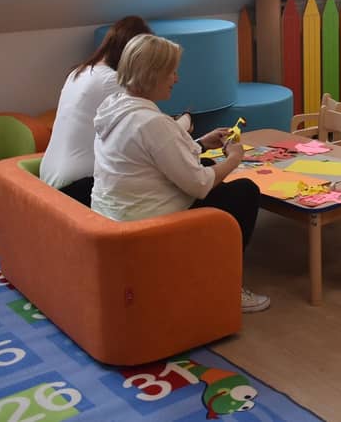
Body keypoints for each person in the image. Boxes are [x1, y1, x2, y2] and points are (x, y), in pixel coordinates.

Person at [91, 34, 270, 313]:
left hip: (113, 214)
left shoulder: (114, 107)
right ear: (153, 74)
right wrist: (235, 158)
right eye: (171, 72)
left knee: (209, 167)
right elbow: (200, 185)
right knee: (243, 191)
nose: (176, 79)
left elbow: (153, 156)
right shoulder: (152, 123)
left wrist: (199, 144)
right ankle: (226, 287)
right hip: (144, 222)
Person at [40, 16, 153, 205]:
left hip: (49, 172)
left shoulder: (78, 72)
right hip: (77, 182)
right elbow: (146, 135)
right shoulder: (112, 81)